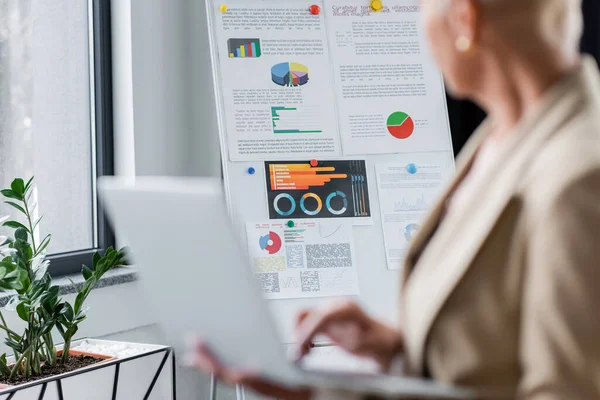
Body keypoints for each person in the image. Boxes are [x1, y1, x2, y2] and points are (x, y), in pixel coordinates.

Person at [193, 0, 600, 398]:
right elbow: (491, 360)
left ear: (465, 20)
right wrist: (393, 347)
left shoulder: (580, 180)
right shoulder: (502, 138)